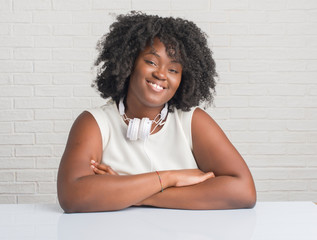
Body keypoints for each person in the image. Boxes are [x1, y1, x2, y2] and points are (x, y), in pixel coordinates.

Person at [57, 11, 256, 213]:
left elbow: (243, 191)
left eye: (173, 70)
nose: (161, 74)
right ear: (129, 62)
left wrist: (128, 192)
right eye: (151, 62)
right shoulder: (94, 123)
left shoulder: (192, 121)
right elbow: (72, 196)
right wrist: (170, 178)